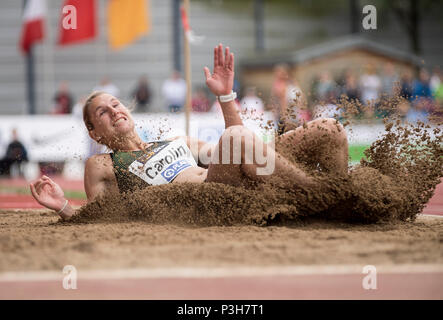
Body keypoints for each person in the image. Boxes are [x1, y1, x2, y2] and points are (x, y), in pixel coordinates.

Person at [30, 44, 348, 220]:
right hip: (210, 202)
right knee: (236, 139)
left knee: (329, 129)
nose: (114, 111)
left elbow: (239, 149)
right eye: (103, 112)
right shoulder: (102, 166)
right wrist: (64, 207)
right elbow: (96, 217)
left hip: (243, 181)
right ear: (95, 133)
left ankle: (344, 209)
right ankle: (329, 197)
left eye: (116, 104)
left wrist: (225, 96)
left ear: (128, 109)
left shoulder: (178, 141)